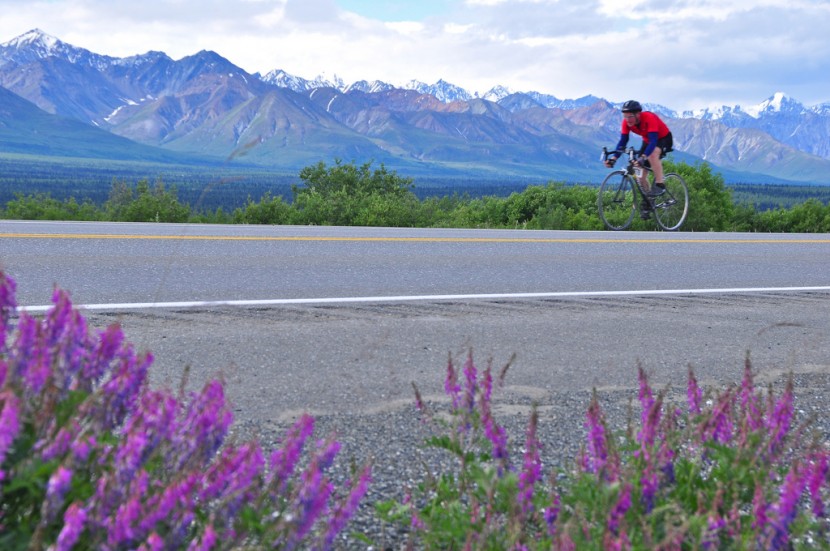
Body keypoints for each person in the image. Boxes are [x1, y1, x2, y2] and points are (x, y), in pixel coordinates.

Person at [605, 100, 674, 208]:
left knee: (652, 155)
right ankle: (649, 201)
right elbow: (623, 142)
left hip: (663, 138)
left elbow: (654, 141)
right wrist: (614, 158)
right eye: (625, 116)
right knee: (639, 175)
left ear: (638, 114)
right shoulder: (626, 123)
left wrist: (643, 157)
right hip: (647, 141)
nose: (628, 120)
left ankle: (660, 184)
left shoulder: (649, 118)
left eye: (630, 116)